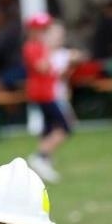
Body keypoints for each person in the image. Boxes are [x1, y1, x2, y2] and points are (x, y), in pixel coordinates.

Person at [23, 13, 73, 183]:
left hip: (48, 92)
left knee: (49, 128)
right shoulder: (33, 47)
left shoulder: (40, 47)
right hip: (42, 94)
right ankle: (40, 156)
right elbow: (42, 67)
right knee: (65, 127)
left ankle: (45, 159)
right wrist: (50, 51)